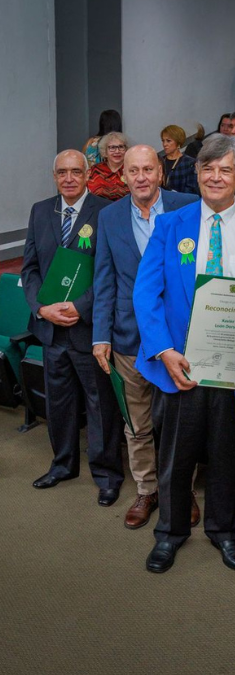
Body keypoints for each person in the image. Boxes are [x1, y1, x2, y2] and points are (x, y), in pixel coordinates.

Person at [134, 134, 235, 573]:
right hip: (182, 366)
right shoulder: (170, 226)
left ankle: (224, 532)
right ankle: (170, 533)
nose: (215, 177)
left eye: (225, 170)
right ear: (196, 175)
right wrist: (162, 350)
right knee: (175, 458)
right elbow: (146, 294)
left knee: (227, 459)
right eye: (207, 169)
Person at [93, 145, 200, 527]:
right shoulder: (109, 217)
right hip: (127, 339)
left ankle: (181, 491)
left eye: (148, 169)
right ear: (123, 176)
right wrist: (99, 336)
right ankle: (147, 490)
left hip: (176, 339)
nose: (141, 177)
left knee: (177, 423)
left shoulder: (188, 206)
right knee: (136, 424)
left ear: (160, 173)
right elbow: (104, 279)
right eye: (133, 170)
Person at [23, 149, 124, 501]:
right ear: (55, 176)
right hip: (52, 329)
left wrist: (80, 306)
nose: (68, 178)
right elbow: (30, 269)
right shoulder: (40, 211)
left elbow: (110, 270)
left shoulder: (106, 213)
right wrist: (41, 308)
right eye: (62, 172)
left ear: (87, 175)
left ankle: (107, 473)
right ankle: (63, 464)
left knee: (100, 404)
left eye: (75, 172)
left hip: (88, 327)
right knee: (59, 402)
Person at [87, 132, 131, 200]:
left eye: (121, 147)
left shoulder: (131, 170)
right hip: (98, 208)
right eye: (112, 147)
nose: (117, 151)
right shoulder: (95, 170)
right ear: (105, 151)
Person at [160, 125, 199, 195]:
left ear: (178, 142)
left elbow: (192, 192)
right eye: (163, 141)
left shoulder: (190, 163)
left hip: (182, 202)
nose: (164, 144)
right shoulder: (160, 161)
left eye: (168, 141)